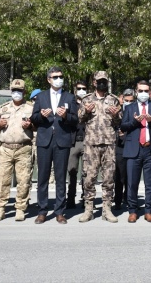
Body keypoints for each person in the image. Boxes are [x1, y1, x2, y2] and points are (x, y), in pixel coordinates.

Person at [30, 67, 78, 224]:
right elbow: (34, 118)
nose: (59, 79)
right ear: (48, 79)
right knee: (42, 177)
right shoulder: (41, 96)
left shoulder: (69, 97)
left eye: (61, 76)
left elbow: (75, 120)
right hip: (44, 140)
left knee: (60, 177)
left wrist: (65, 116)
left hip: (62, 141)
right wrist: (41, 116)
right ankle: (42, 211)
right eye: (55, 77)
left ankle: (59, 211)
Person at [77, 71, 121, 223]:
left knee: (108, 178)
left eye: (104, 81)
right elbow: (80, 119)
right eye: (99, 81)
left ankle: (107, 209)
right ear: (94, 82)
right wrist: (86, 111)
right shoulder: (86, 99)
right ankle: (88, 209)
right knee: (89, 178)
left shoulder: (114, 100)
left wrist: (116, 115)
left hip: (108, 143)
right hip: (91, 144)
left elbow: (119, 122)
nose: (102, 83)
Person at [120, 80, 151, 223]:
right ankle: (132, 211)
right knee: (132, 183)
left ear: (150, 92)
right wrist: (135, 121)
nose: (143, 93)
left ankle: (148, 211)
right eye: (141, 91)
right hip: (134, 149)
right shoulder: (130, 108)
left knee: (150, 183)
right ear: (136, 91)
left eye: (146, 91)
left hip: (150, 149)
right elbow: (123, 126)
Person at [0, 79, 34, 222]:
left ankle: (20, 208)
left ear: (24, 91)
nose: (17, 93)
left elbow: (38, 125)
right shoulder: (3, 108)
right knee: (2, 179)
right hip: (5, 148)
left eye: (19, 90)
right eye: (14, 90)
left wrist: (30, 125)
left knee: (23, 180)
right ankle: (0, 208)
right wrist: (0, 124)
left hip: (24, 148)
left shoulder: (30, 107)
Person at [67, 81, 87, 209]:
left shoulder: (90, 103)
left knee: (87, 173)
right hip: (73, 142)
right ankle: (70, 199)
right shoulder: (70, 103)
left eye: (84, 88)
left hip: (87, 142)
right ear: (75, 90)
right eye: (79, 88)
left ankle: (86, 199)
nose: (81, 91)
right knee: (72, 171)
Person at [114, 89, 134, 210]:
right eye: (126, 100)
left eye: (131, 101)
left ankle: (129, 199)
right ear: (122, 99)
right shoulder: (117, 112)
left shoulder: (135, 111)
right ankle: (117, 201)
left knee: (131, 176)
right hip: (119, 147)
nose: (128, 103)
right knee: (119, 176)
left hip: (131, 146)